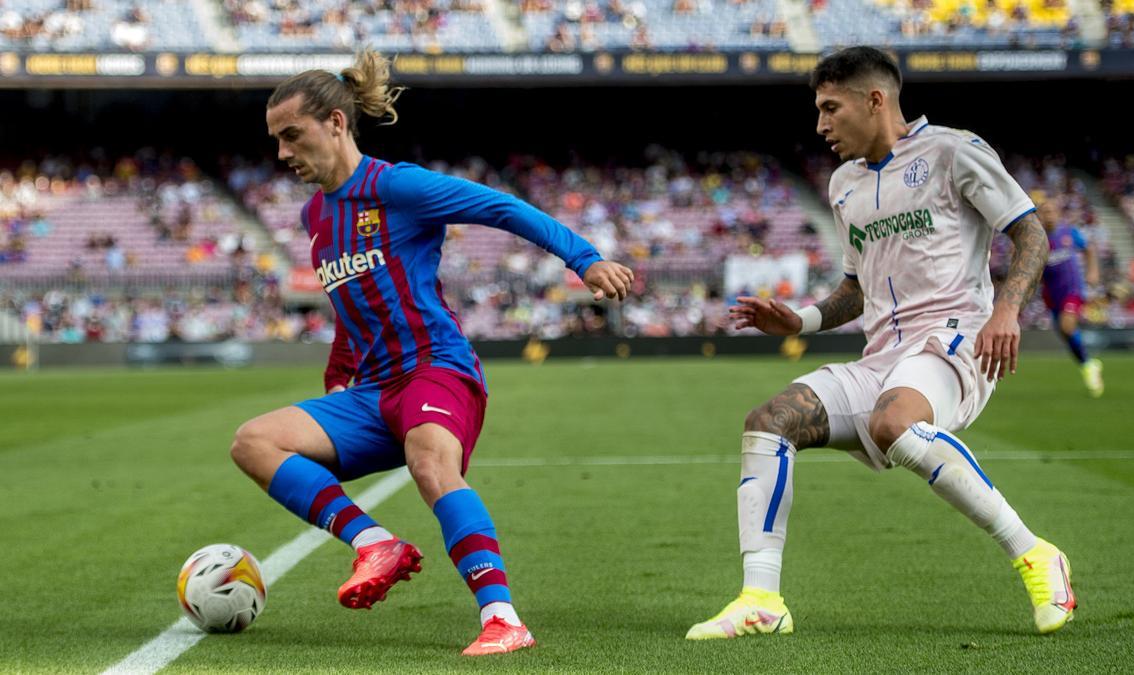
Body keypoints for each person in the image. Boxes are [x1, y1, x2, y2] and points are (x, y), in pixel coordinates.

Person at [229, 49, 634, 656]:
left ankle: (503, 619)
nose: (282, 154)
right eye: (276, 140)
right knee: (253, 441)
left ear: (336, 124)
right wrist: (338, 377)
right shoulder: (316, 214)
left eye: (292, 136)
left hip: (436, 370)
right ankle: (374, 543)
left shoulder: (396, 186)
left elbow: (501, 207)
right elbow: (350, 306)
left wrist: (585, 259)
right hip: (370, 392)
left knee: (430, 464)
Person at [687, 46, 1075, 640]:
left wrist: (1006, 311)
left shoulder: (954, 151)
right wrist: (803, 323)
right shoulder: (843, 185)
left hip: (955, 341)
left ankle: (1034, 553)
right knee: (769, 421)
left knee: (896, 423)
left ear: (876, 99)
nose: (820, 125)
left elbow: (1030, 232)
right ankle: (761, 599)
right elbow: (856, 285)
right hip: (884, 356)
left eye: (829, 108)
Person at [1039, 199, 1104, 396]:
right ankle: (1088, 364)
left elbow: (1089, 249)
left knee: (1068, 327)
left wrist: (1092, 272)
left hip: (1072, 289)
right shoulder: (1037, 240)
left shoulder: (1069, 232)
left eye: (1051, 211)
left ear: (1058, 213)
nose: (1048, 216)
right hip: (1051, 293)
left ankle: (1088, 364)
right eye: (1044, 212)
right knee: (1065, 333)